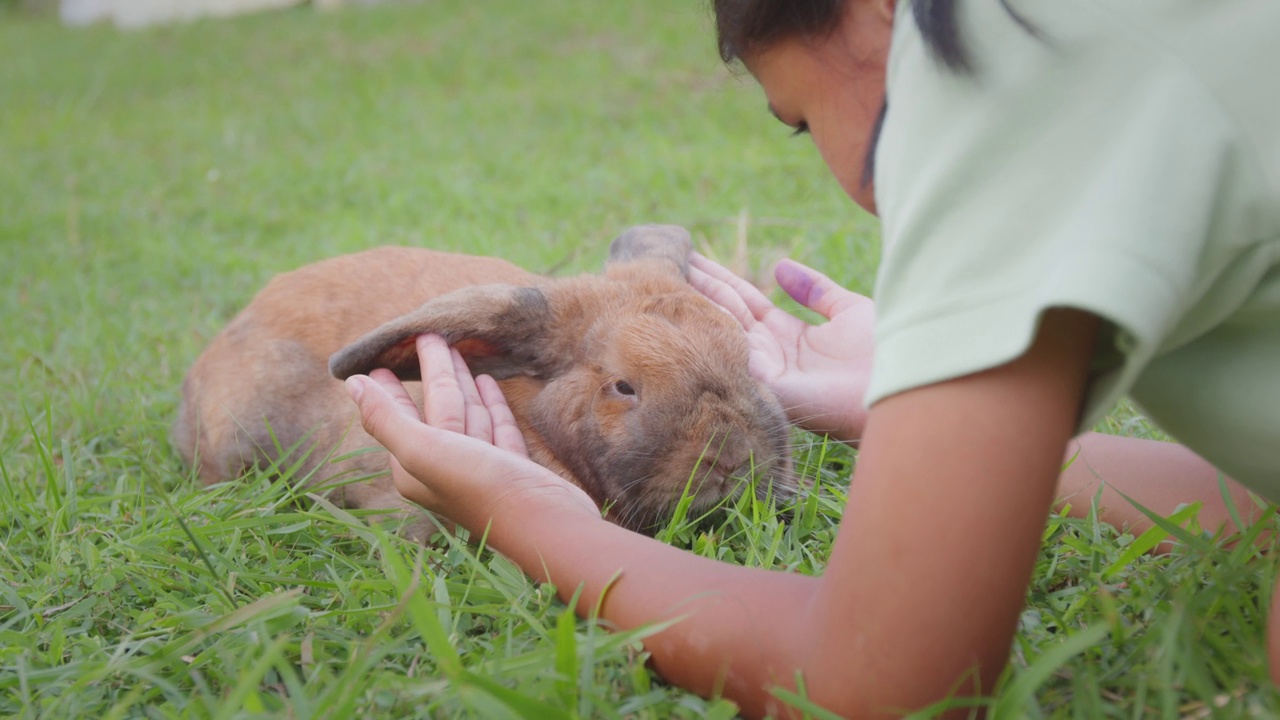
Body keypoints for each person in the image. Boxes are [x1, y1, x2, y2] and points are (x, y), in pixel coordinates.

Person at [341, 0, 1280, 716]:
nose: (841, 175)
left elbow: (887, 678)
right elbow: (1250, 497)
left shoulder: (1010, 64)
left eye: (799, 118)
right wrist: (910, 414)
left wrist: (534, 517)